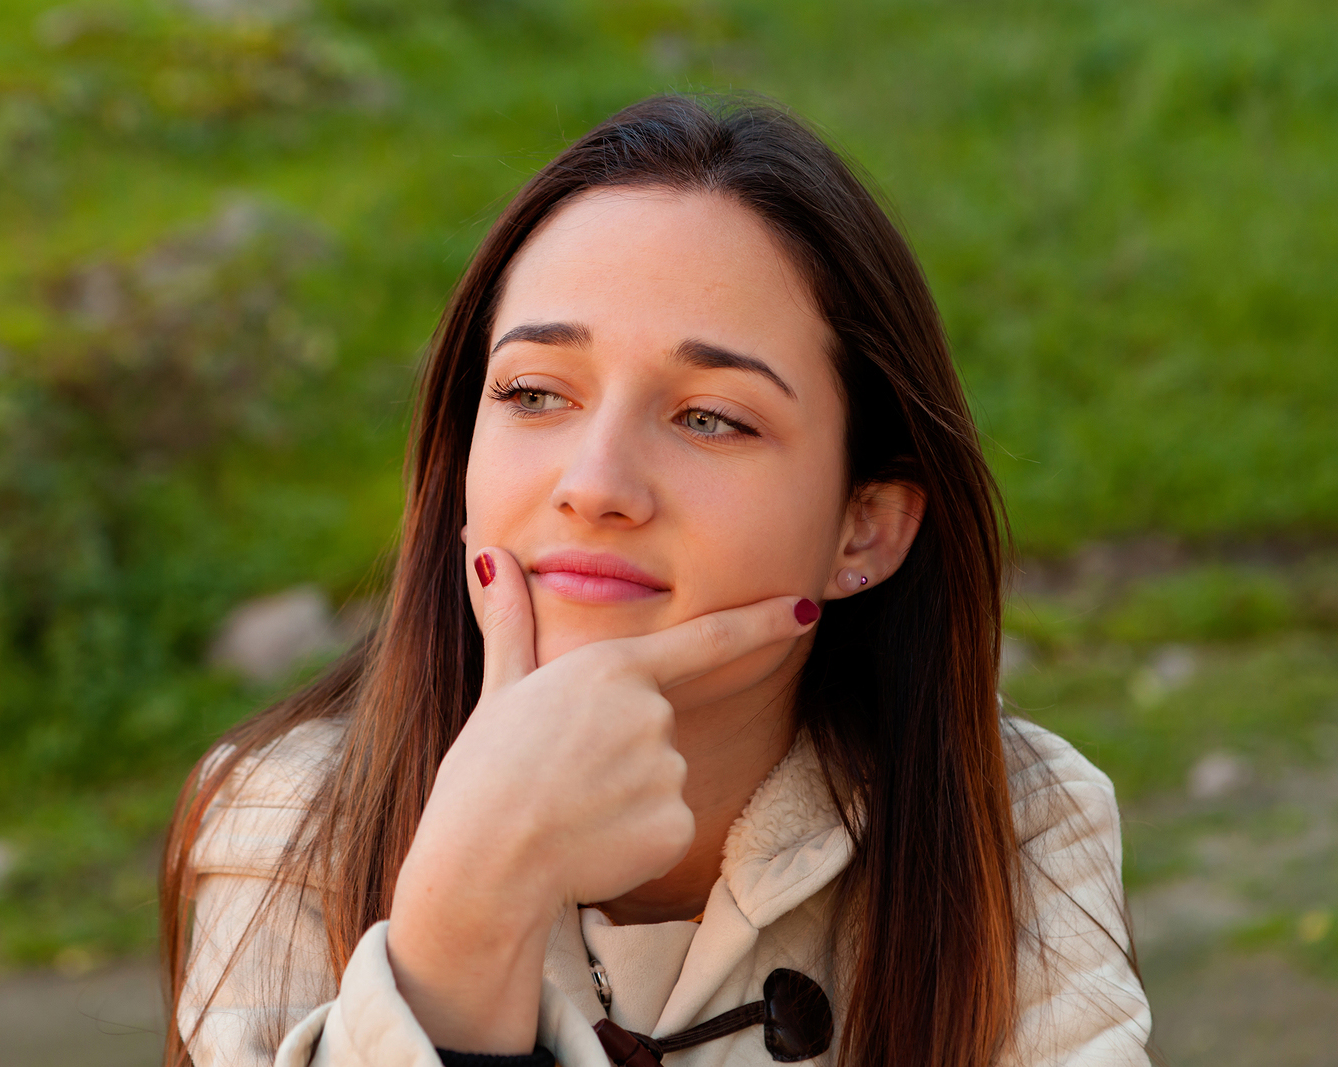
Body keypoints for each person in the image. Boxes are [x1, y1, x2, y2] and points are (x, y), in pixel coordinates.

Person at [160, 94, 1152, 1067]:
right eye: (533, 393)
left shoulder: (1011, 821)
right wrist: (467, 906)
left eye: (709, 417)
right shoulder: (294, 820)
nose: (594, 485)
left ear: (864, 527)